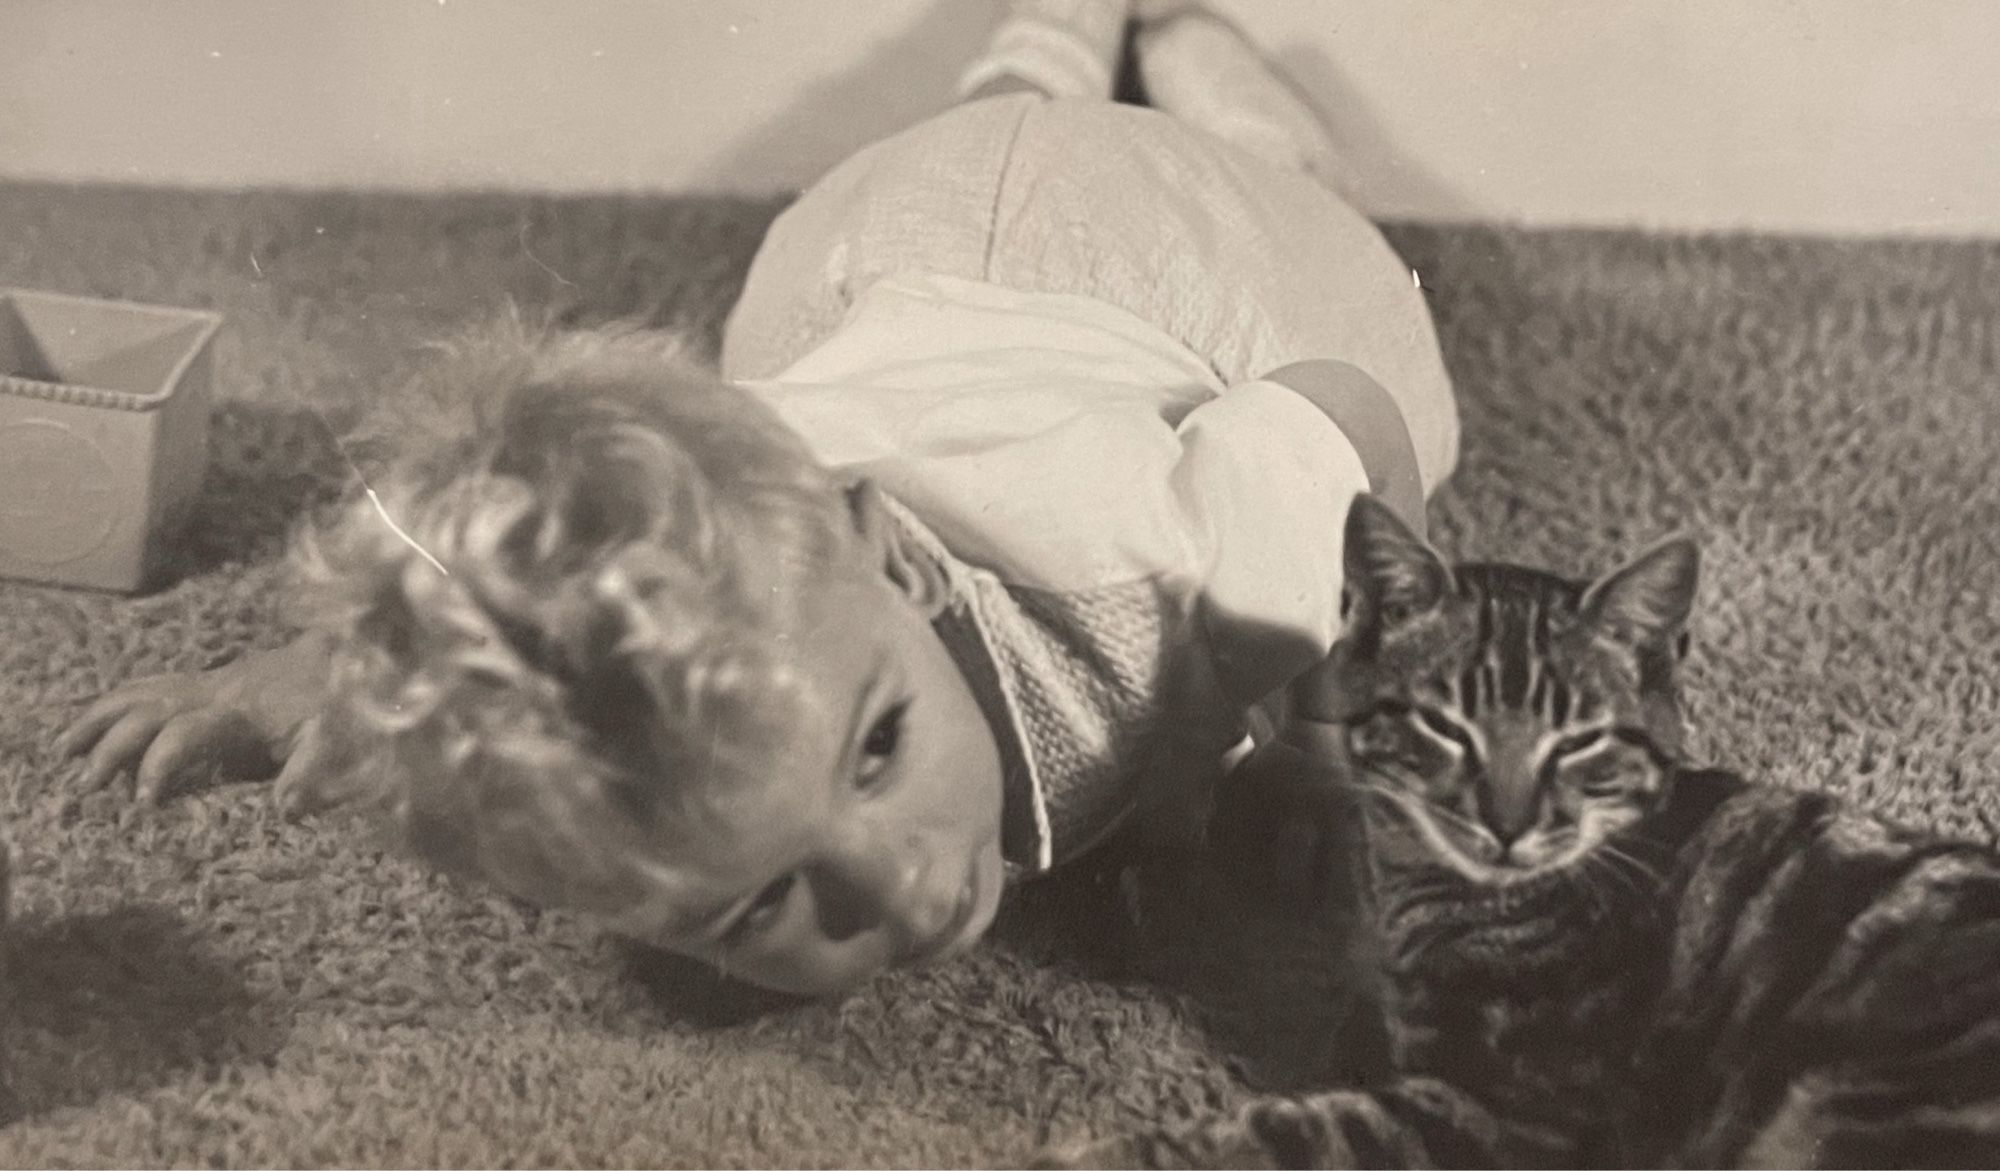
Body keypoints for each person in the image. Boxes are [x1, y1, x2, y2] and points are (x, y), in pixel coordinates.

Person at [56, 0, 1458, 997]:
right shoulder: (771, 562)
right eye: (758, 907)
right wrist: (328, 670)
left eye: (878, 746)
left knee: (1269, 187)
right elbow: (514, 592)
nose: (907, 894)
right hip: (890, 338)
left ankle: (1181, 60)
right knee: (624, 501)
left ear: (892, 561)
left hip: (1158, 274)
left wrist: (1291, 702)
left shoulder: (1156, 562)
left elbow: (1318, 410)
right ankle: (1046, 41)